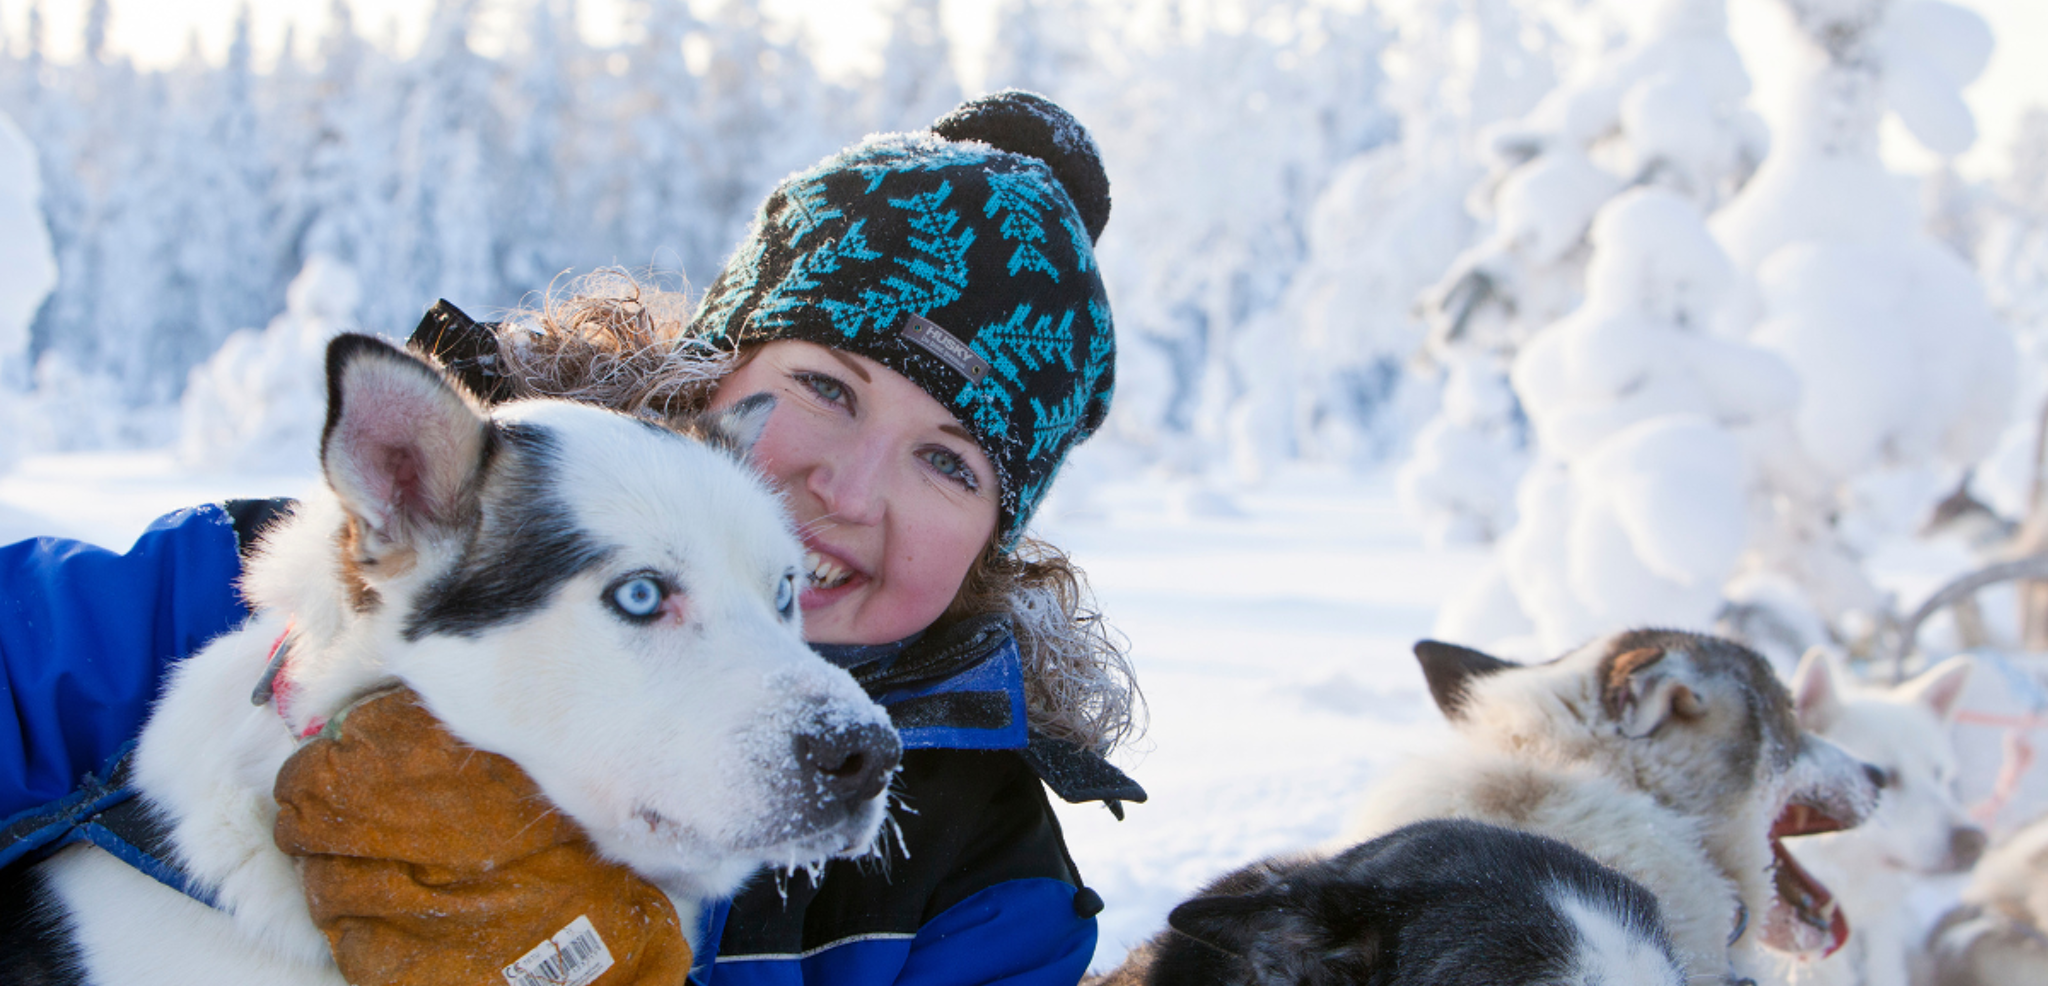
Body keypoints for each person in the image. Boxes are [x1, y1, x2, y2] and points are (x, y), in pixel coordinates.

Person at [0, 90, 1142, 986]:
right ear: (719, 376)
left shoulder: (978, 880)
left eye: (949, 460)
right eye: (824, 387)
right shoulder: (283, 580)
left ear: (998, 532)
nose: (844, 486)